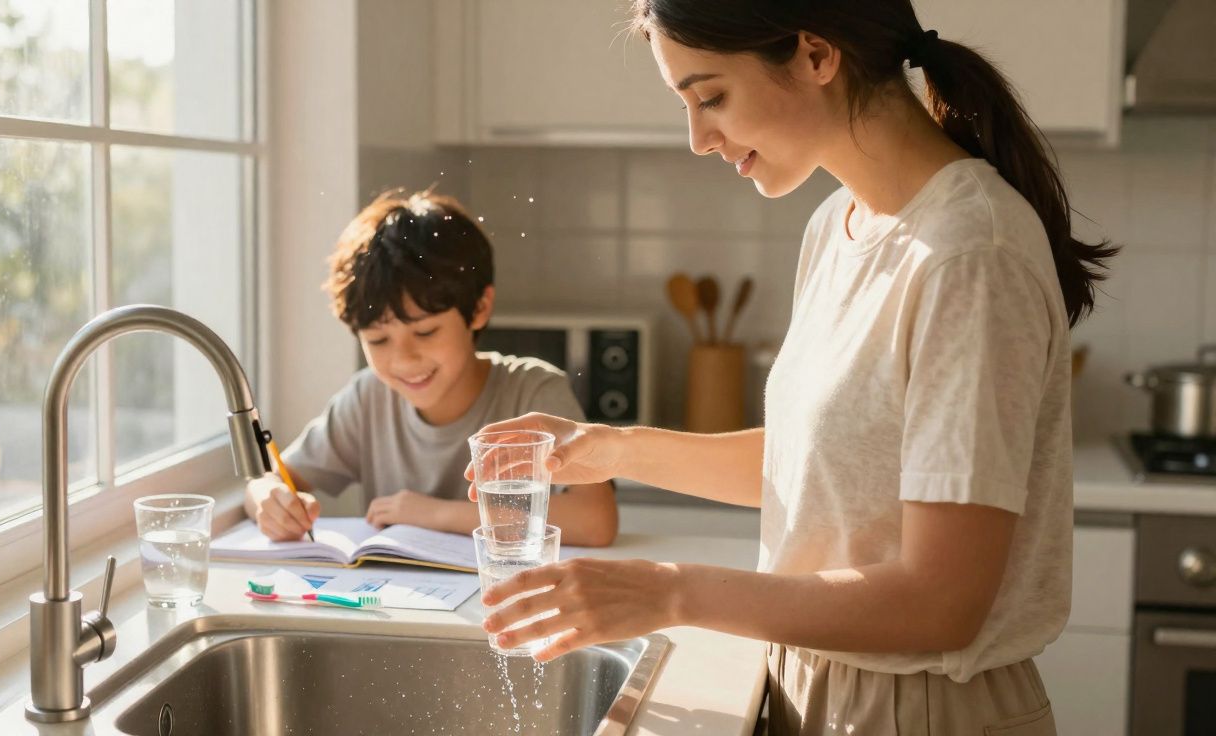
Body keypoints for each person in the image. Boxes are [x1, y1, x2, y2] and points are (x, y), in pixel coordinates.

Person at [468, 2, 1116, 733]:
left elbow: (942, 602)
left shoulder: (969, 254)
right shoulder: (837, 227)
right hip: (809, 682)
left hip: (922, 711)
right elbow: (830, 469)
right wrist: (607, 448)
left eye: (710, 97)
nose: (698, 138)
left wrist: (668, 591)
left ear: (815, 56)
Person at [246, 188, 618, 547]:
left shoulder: (534, 392)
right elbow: (272, 479)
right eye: (378, 340)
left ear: (479, 309)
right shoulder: (367, 398)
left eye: (425, 332)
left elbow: (595, 521)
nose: (404, 358)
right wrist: (268, 497)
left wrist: (433, 514)